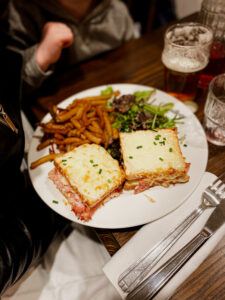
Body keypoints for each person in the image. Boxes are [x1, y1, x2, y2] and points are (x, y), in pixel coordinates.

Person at [2, 0, 135, 95]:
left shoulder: (116, 9)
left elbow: (133, 60)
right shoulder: (23, 12)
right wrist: (40, 57)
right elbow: (9, 92)